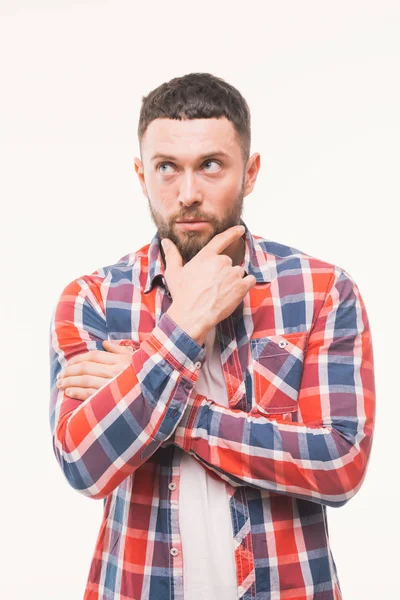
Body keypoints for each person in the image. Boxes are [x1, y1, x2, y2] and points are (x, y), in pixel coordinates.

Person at [49, 72, 376, 600]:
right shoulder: (93, 301)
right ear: (140, 174)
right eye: (166, 169)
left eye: (211, 166)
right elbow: (85, 466)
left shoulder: (321, 291)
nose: (189, 194)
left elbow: (338, 462)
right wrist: (183, 327)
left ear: (250, 172)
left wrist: (157, 395)